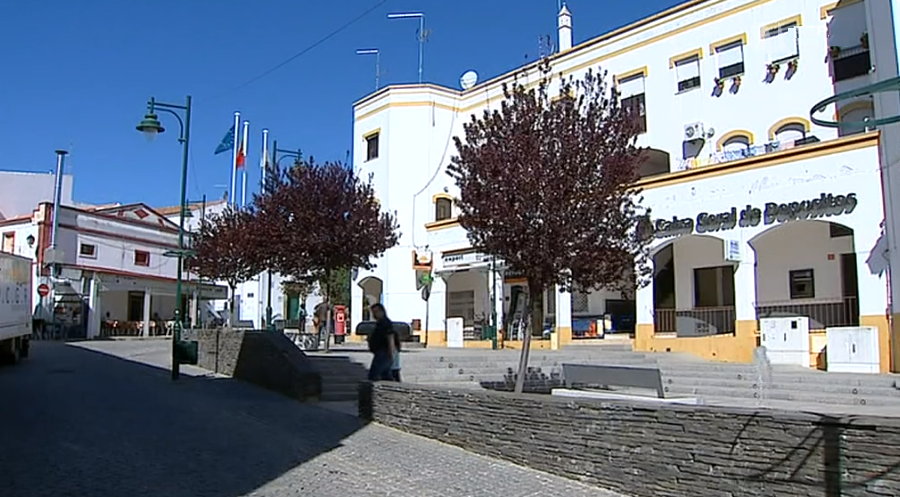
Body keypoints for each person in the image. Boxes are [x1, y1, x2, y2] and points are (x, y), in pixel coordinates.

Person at [366, 303, 396, 381]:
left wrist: (391, 353)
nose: (374, 315)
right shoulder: (380, 323)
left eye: (375, 312)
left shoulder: (385, 323)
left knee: (374, 375)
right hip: (381, 352)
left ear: (382, 312)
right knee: (386, 376)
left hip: (384, 353)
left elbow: (390, 338)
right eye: (373, 312)